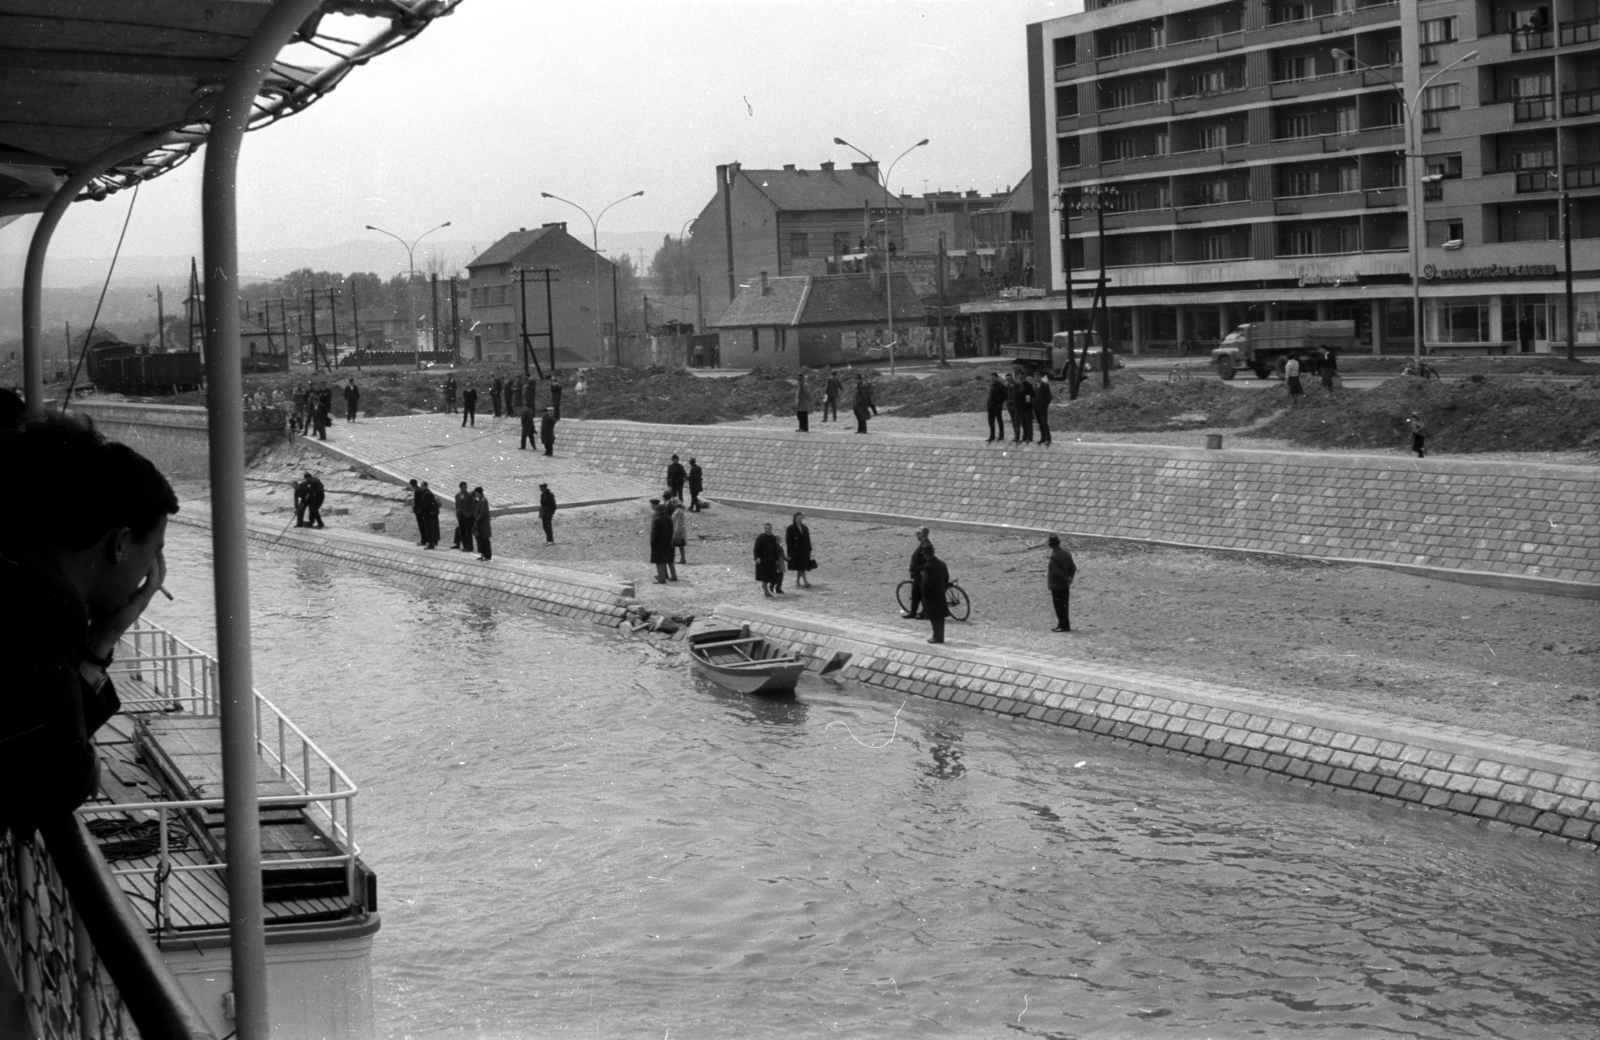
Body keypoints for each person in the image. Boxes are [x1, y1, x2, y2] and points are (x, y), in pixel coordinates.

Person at [0, 415, 178, 830]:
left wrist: (100, 642)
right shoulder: (44, 602)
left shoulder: (22, 566)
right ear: (119, 543)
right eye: (153, 552)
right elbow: (50, 784)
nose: (151, 572)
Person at [1046, 534, 1077, 632]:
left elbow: (1056, 573)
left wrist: (1065, 580)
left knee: (1059, 607)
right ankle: (1063, 624)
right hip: (1065, 585)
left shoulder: (1054, 557)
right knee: (1064, 605)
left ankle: (1063, 626)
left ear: (1050, 545)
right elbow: (1073, 567)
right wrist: (1069, 579)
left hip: (1057, 586)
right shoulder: (1066, 552)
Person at [921, 543, 950, 644]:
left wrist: (923, 593)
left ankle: (937, 636)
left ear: (926, 555)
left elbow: (926, 582)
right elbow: (946, 577)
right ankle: (939, 636)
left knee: (934, 616)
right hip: (940, 593)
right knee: (940, 616)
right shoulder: (941, 563)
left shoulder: (928, 566)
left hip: (931, 595)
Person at [903, 526, 934, 619]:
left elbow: (927, 559)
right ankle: (915, 612)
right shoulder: (924, 543)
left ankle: (922, 613)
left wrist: (919, 570)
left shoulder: (925, 545)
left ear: (922, 534)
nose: (916, 535)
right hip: (918, 573)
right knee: (916, 593)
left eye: (918, 533)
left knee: (920, 593)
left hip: (921, 574)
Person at [753, 521, 786, 597]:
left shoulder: (773, 538)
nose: (767, 529)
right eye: (765, 528)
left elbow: (775, 549)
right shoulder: (760, 537)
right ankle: (766, 590)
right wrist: (757, 557)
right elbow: (756, 548)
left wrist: (777, 560)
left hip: (771, 561)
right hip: (763, 561)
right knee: (765, 576)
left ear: (771, 529)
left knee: (772, 576)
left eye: (768, 528)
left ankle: (766, 587)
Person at [785, 511, 814, 588]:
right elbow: (788, 542)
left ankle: (797, 581)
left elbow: (808, 539)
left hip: (804, 550)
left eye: (801, 518)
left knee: (801, 567)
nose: (800, 520)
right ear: (794, 519)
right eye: (798, 518)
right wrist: (790, 553)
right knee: (800, 567)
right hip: (795, 551)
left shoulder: (805, 528)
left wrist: (809, 549)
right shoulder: (790, 528)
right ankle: (805, 581)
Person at [649, 500, 676, 583]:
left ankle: (662, 578)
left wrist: (652, 542)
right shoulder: (668, 518)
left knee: (659, 561)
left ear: (657, 511)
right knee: (669, 559)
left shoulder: (657, 519)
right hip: (668, 541)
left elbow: (655, 533)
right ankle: (673, 575)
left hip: (659, 543)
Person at [453, 481, 476, 553]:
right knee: (462, 531)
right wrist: (458, 513)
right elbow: (457, 506)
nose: (465, 489)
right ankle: (465, 546)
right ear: (460, 488)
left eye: (466, 487)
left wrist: (470, 514)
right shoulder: (457, 496)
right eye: (464, 487)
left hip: (467, 516)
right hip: (460, 516)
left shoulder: (469, 495)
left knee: (468, 532)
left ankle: (469, 547)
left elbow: (473, 506)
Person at [986, 371, 1008, 442]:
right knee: (991, 421)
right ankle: (992, 436)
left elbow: (1004, 396)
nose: (992, 379)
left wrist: (999, 404)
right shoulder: (992, 385)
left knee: (999, 421)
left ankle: (1001, 436)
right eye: (991, 377)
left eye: (993, 377)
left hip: (997, 406)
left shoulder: (1001, 386)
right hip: (991, 406)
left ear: (997, 377)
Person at [1032, 373, 1053, 447]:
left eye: (1038, 377)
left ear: (1041, 377)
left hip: (1042, 408)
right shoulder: (1035, 386)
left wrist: (1045, 405)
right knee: (1040, 423)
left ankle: (1048, 439)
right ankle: (1043, 437)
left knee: (1044, 422)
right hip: (1036, 408)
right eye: (1035, 377)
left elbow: (1049, 397)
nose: (1036, 378)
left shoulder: (1045, 385)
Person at [1012, 372, 1034, 443]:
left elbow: (1030, 396)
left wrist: (1027, 405)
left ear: (1025, 378)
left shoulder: (1028, 386)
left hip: (1026, 408)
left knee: (1028, 424)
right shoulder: (1018, 385)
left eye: (1022, 378)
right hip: (1019, 407)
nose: (1020, 379)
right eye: (1019, 378)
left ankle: (1029, 438)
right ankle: (1024, 437)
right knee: (1023, 424)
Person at [419, 481, 440, 549]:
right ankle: (431, 543)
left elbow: (427, 505)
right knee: (429, 529)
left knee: (429, 529)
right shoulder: (427, 493)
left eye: (422, 486)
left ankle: (431, 544)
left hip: (428, 514)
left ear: (425, 486)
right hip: (429, 514)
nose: (421, 487)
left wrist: (422, 511)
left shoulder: (427, 494)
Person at [473, 487, 492, 561]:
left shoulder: (483, 501)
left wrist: (477, 520)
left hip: (483, 525)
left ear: (478, 493)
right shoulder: (481, 500)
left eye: (475, 493)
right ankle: (484, 554)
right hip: (481, 525)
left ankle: (487, 556)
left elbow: (483, 513)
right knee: (482, 540)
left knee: (485, 540)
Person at [409, 478, 428, 545]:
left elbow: (417, 503)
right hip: (422, 511)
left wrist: (414, 509)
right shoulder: (419, 489)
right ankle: (426, 539)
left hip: (419, 512)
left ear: (411, 485)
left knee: (421, 526)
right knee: (423, 526)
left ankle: (423, 540)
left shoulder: (417, 491)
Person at [671, 499, 688, 564]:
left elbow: (679, 522)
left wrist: (678, 530)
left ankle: (682, 559)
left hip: (677, 530)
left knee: (679, 544)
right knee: (680, 545)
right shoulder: (677, 511)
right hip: (676, 529)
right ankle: (682, 559)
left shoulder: (678, 511)